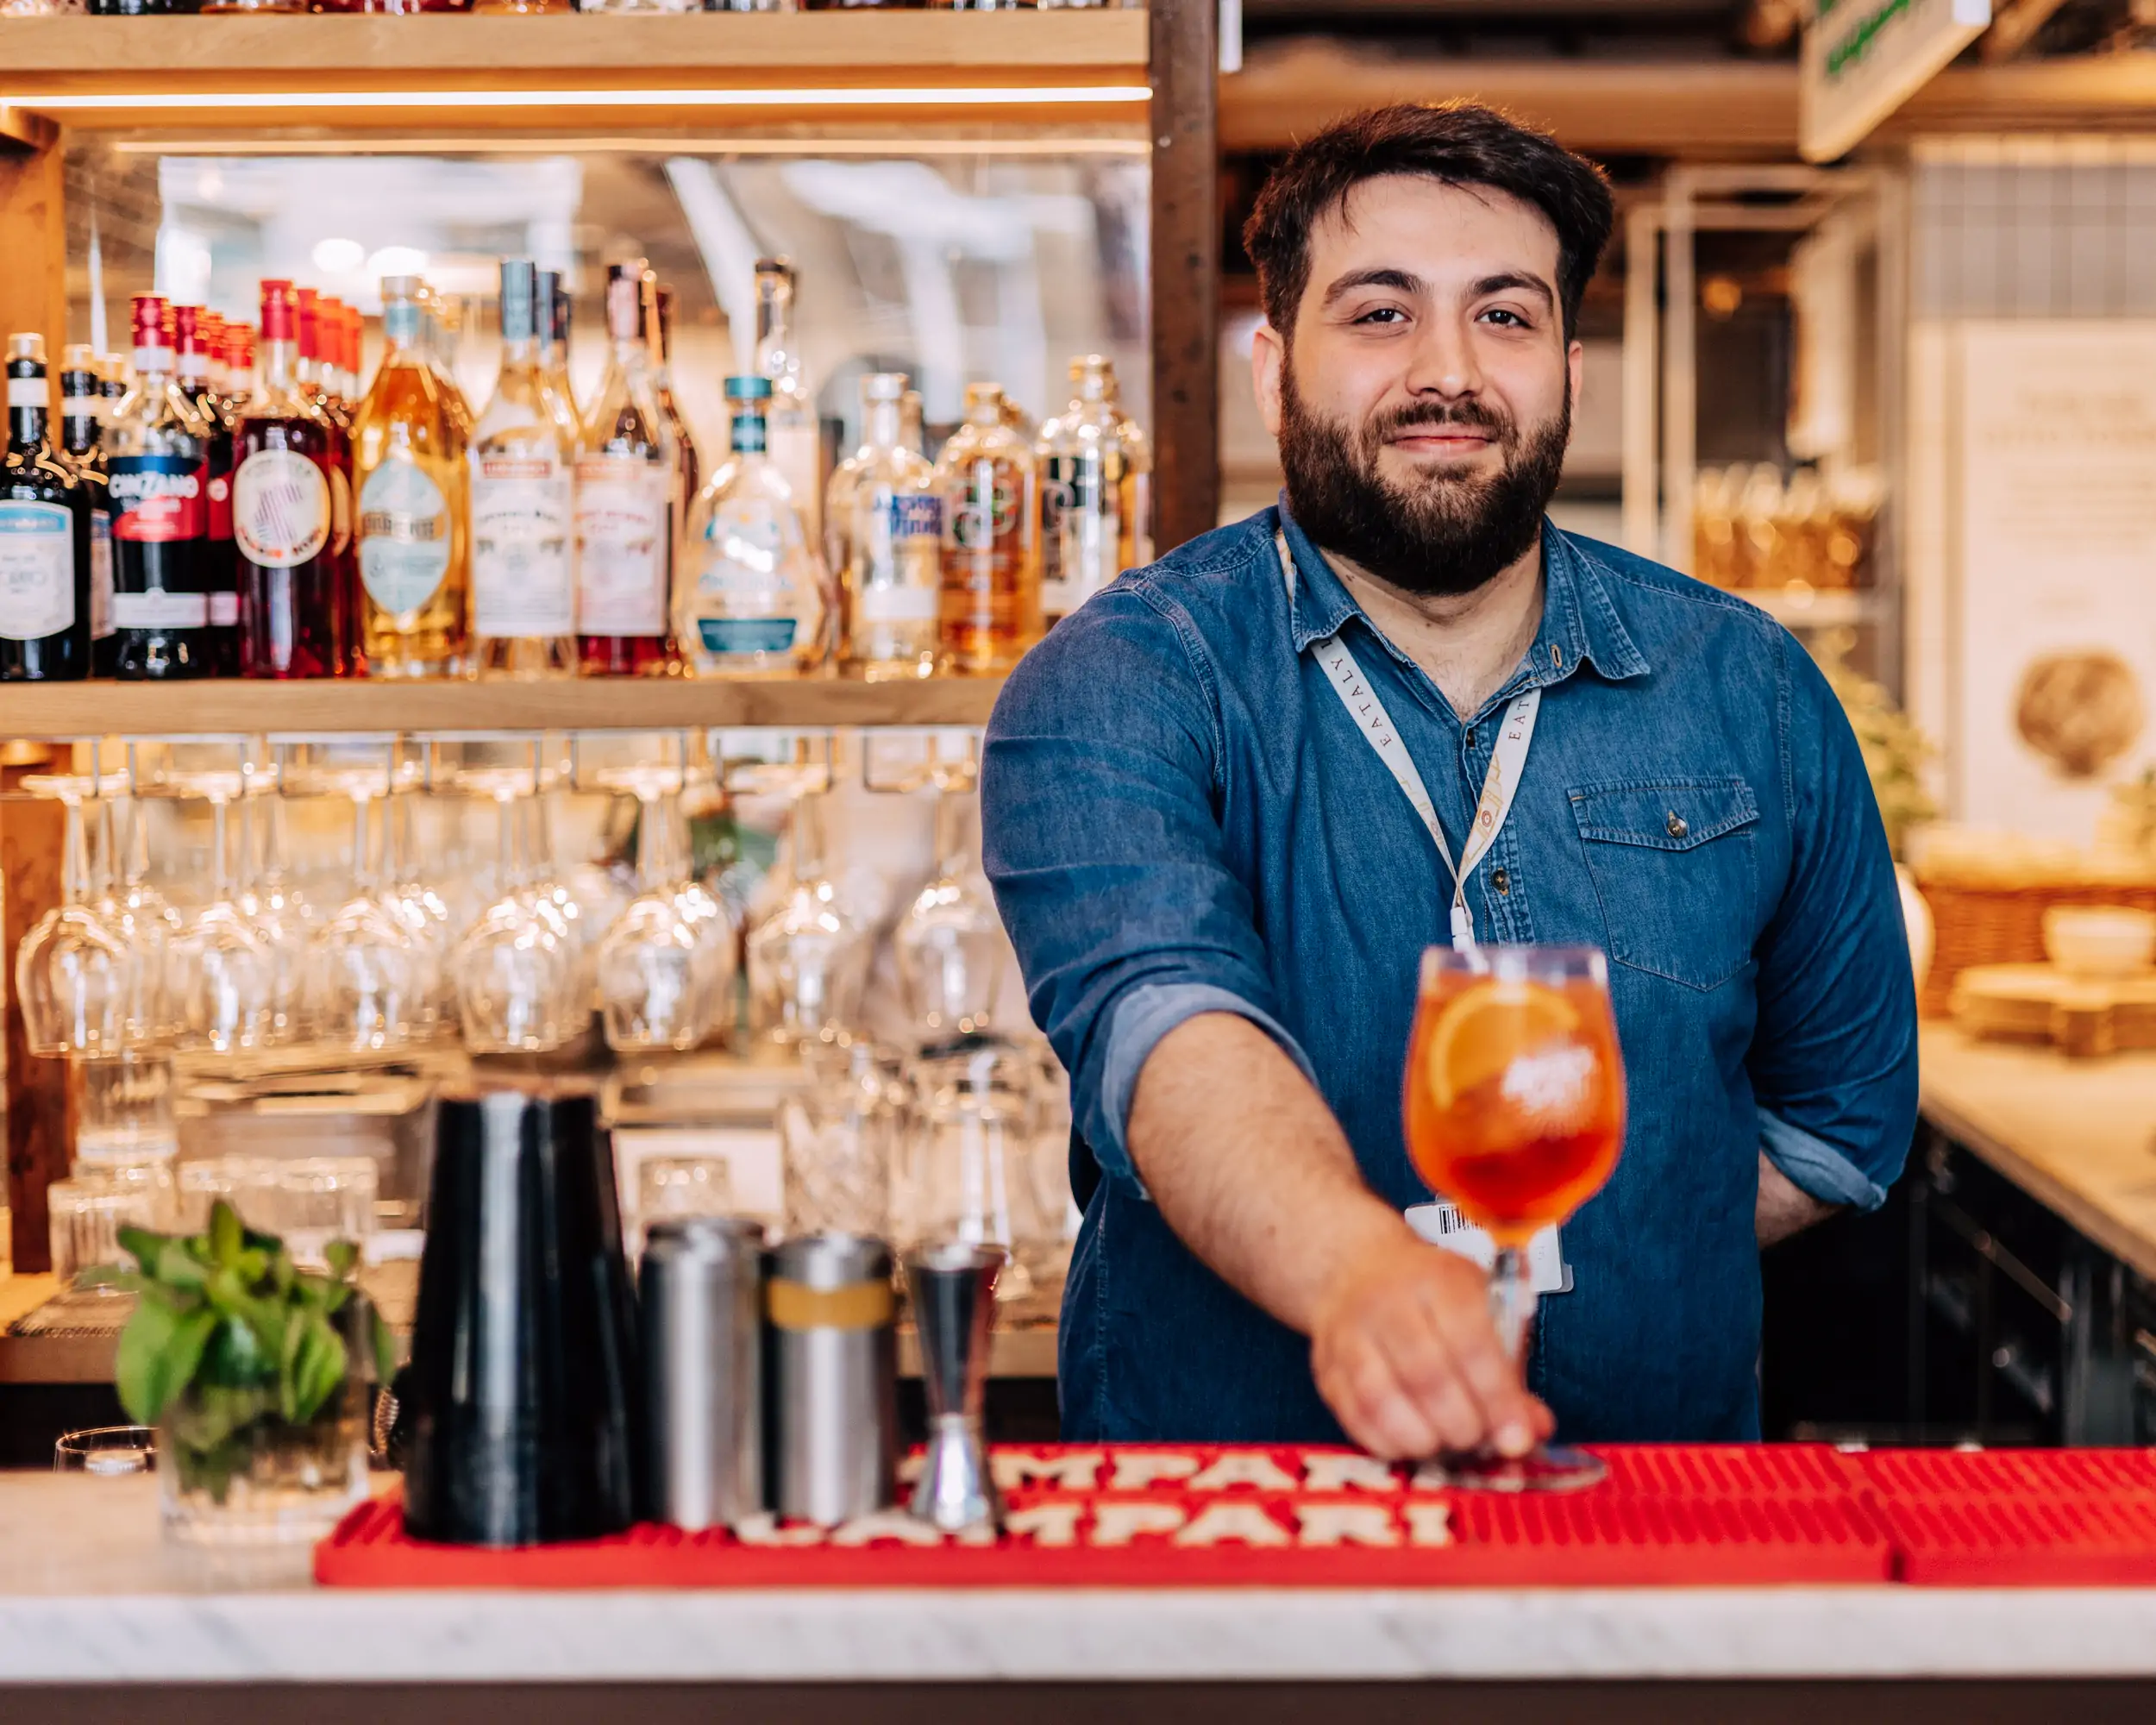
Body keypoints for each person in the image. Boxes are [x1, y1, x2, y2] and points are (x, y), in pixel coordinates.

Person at [980, 102, 1919, 1454]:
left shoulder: (1752, 689)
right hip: (1237, 1545)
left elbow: (1839, 1120)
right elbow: (1168, 1035)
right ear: (1271, 370)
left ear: (1569, 372)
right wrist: (1361, 1274)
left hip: (1656, 1535)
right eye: (1378, 314)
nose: (1447, 369)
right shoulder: (1127, 679)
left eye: (1505, 316)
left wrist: (1622, 1233)